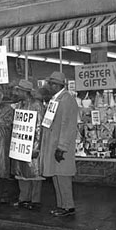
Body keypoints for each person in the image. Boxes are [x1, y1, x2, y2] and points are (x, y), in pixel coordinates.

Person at [40, 71, 78, 217]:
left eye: (51, 84)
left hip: (61, 146)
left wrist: (62, 147)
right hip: (53, 144)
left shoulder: (67, 100)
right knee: (56, 175)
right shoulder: (56, 99)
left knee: (63, 176)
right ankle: (61, 205)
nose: (49, 86)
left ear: (57, 85)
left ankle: (68, 206)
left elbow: (68, 125)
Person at [11, 79, 45, 210]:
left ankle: (35, 200)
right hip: (21, 143)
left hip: (32, 144)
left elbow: (39, 127)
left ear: (25, 92)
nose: (16, 92)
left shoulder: (37, 105)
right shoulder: (19, 105)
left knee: (34, 173)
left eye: (18, 90)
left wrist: (36, 147)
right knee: (21, 172)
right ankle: (23, 198)